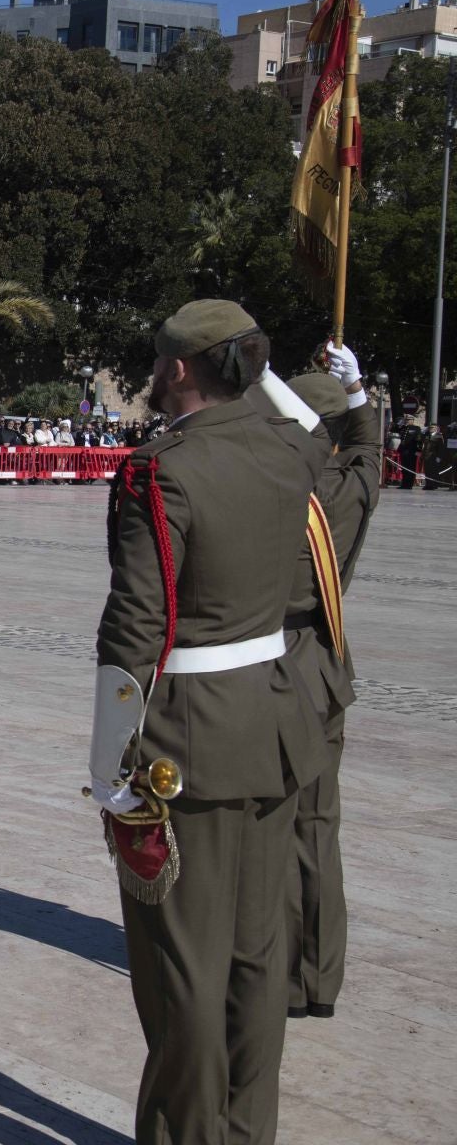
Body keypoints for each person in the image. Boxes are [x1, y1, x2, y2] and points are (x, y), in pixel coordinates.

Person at [90, 300, 322, 1145]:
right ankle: (243, 1129)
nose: (153, 374)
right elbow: (311, 420)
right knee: (258, 959)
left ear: (180, 369)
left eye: (160, 362)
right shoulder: (292, 448)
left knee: (181, 963)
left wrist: (107, 766)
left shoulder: (164, 471)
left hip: (185, 743)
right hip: (271, 724)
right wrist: (263, 368)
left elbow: (134, 630)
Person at [278, 357, 380, 1022]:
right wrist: (358, 388)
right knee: (319, 827)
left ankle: (284, 971)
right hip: (327, 667)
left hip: (278, 665)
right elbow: (371, 452)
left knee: (276, 832)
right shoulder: (348, 488)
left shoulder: (275, 490)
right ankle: (318, 977)